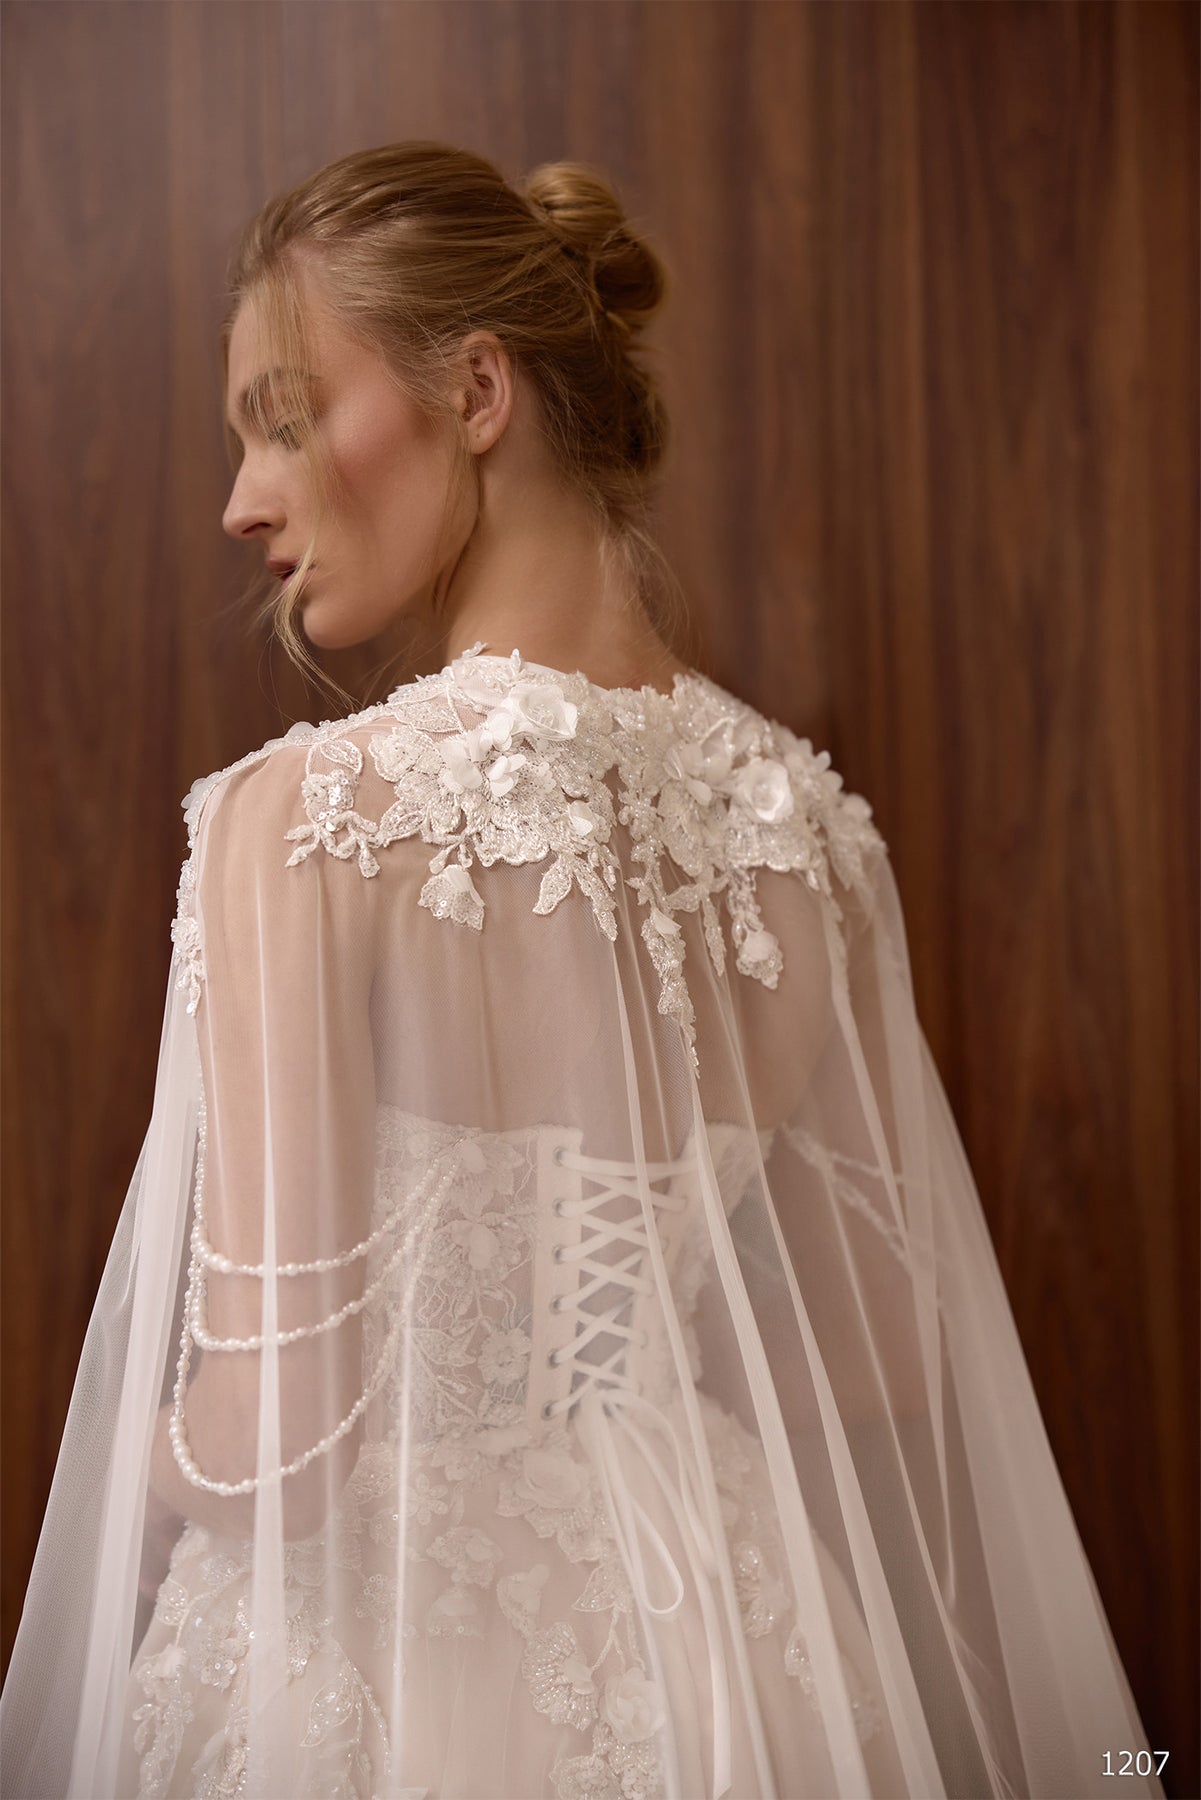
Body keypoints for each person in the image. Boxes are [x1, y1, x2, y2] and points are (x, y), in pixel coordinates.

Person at [0, 141, 1165, 1800]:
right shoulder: (807, 832)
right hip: (741, 1653)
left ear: (477, 391)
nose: (242, 499)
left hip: (402, 1676)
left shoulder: (309, 823)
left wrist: (139, 1457)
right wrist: (599, 1371)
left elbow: (287, 1437)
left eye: (284, 418)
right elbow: (880, 1344)